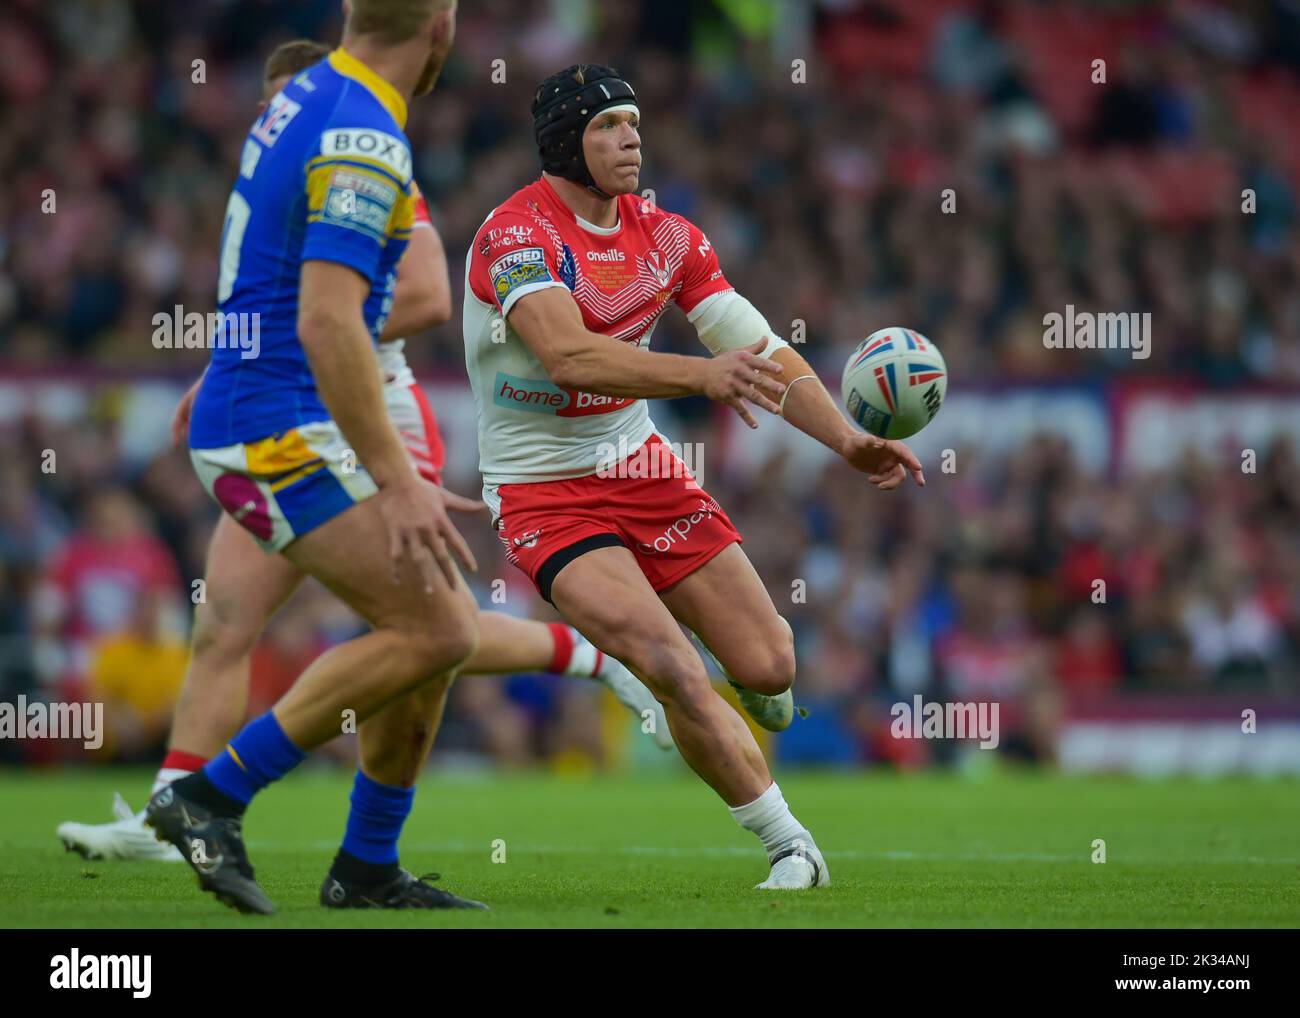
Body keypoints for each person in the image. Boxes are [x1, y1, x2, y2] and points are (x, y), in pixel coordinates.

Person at [57, 37, 668, 869]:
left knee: (430, 628)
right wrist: (245, 357)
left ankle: (587, 655)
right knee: (226, 623)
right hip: (291, 420)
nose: (279, 119)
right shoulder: (294, 176)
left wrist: (304, 338)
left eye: (287, 102)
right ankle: (173, 817)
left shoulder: (367, 163)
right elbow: (288, 310)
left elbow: (420, 292)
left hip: (374, 419)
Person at [463, 64, 925, 889]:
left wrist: (846, 439)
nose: (632, 137)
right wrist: (700, 376)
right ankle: (791, 845)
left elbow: (760, 348)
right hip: (539, 490)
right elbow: (567, 357)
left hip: (641, 466)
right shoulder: (515, 236)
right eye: (610, 125)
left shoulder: (669, 236)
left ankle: (741, 674)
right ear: (567, 141)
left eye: (636, 121)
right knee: (669, 664)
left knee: (771, 664)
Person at [138, 0, 494, 916]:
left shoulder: (299, 97)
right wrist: (398, 478)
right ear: (442, 31)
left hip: (266, 405)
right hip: (277, 428)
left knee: (431, 632)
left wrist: (232, 357)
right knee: (441, 629)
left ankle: (366, 865)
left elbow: (266, 262)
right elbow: (326, 317)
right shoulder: (364, 135)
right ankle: (206, 797)